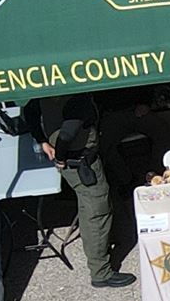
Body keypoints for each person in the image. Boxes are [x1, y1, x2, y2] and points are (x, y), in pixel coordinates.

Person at [30, 95, 132, 288]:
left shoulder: (44, 91)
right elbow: (68, 133)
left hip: (73, 162)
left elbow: (30, 112)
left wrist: (42, 140)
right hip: (81, 163)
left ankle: (103, 246)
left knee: (89, 207)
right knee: (96, 212)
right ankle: (101, 272)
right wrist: (60, 156)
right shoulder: (76, 96)